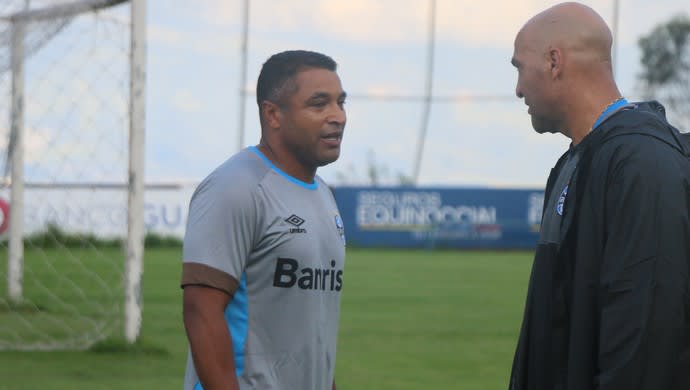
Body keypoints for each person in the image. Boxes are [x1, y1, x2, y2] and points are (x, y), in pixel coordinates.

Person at [509, 2, 690, 390]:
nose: (518, 88)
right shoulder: (580, 159)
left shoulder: (641, 161)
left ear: (554, 62)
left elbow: (643, 343)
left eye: (519, 68)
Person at [181, 50, 347, 390]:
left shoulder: (324, 196)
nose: (337, 116)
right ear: (272, 114)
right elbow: (201, 311)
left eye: (340, 103)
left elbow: (312, 334)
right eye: (319, 104)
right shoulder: (235, 188)